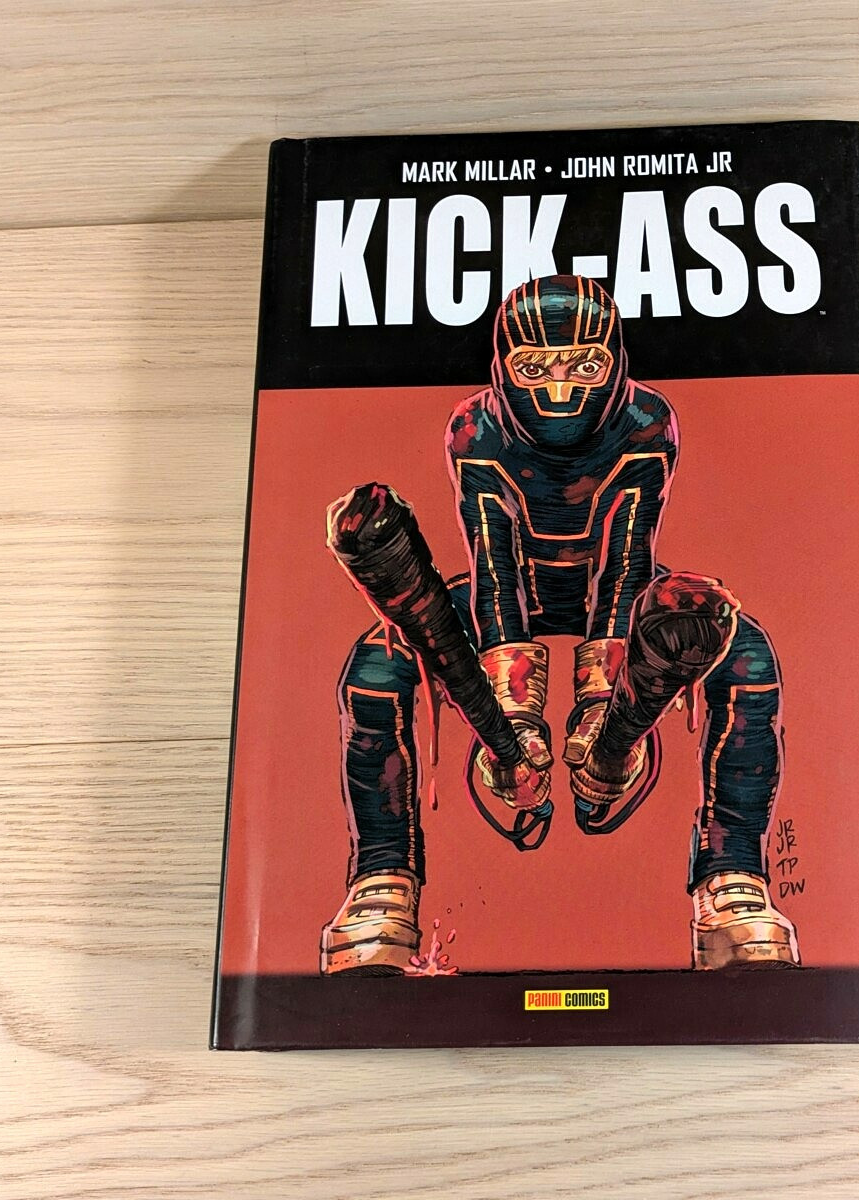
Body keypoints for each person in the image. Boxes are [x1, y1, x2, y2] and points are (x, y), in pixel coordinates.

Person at [321, 275, 798, 974]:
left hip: (614, 588)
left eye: (583, 366)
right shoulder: (476, 430)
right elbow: (495, 564)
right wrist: (514, 718)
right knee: (376, 666)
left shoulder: (644, 422)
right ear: (503, 368)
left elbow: (626, 560)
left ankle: (733, 878)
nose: (560, 388)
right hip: (513, 590)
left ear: (614, 362)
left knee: (742, 650)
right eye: (536, 369)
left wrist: (603, 711)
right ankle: (382, 877)